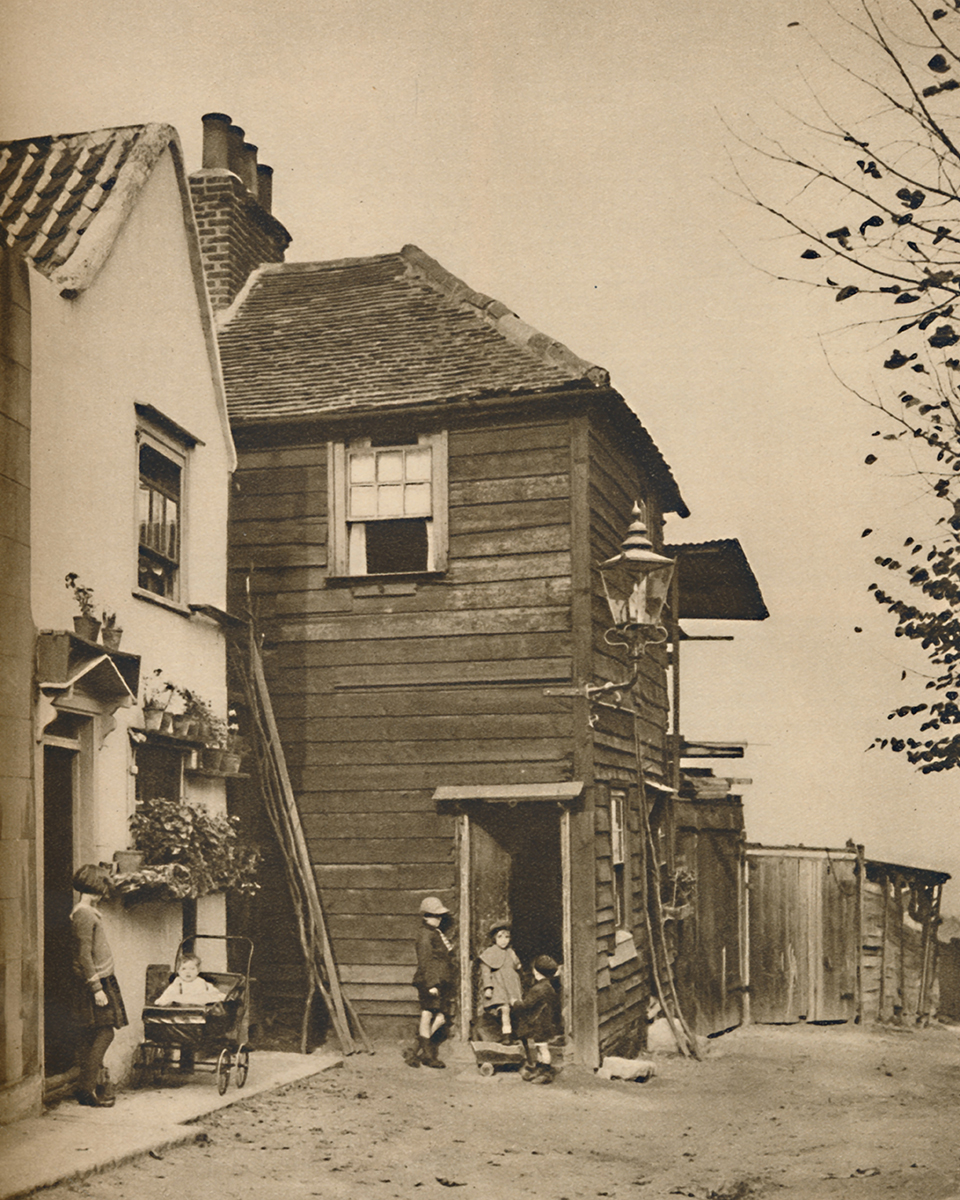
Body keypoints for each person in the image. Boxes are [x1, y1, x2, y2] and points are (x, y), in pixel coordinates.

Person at [70, 863, 128, 1107]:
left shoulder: (89, 912)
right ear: (95, 887)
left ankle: (90, 1087)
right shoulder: (83, 914)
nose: (105, 892)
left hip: (101, 979)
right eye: (103, 886)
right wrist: (96, 989)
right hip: (94, 981)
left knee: (94, 1034)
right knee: (105, 1033)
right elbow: (83, 955)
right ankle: (86, 1088)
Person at [405, 896, 455, 1069]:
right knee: (427, 1014)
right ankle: (428, 1056)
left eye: (440, 916)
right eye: (435, 915)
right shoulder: (425, 935)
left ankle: (413, 1050)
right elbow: (425, 961)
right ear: (426, 916)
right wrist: (431, 984)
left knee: (440, 1018)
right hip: (430, 981)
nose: (439, 919)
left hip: (440, 981)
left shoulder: (435, 933)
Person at [511, 954, 561, 1084]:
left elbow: (526, 1005)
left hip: (539, 1024)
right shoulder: (549, 987)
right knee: (540, 1047)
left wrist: (515, 1003)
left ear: (536, 972)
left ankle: (546, 1071)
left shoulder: (538, 989)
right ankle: (540, 1068)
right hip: (545, 1022)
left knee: (543, 1048)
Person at [478, 921, 522, 1041]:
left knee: (513, 1010)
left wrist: (517, 965)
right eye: (500, 937)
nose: (504, 940)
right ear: (494, 938)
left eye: (507, 937)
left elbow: (517, 965)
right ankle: (506, 1035)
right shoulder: (490, 953)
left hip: (511, 986)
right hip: (499, 985)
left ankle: (513, 1034)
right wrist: (488, 987)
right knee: (504, 1009)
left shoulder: (510, 952)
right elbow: (485, 972)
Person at [153, 954, 223, 1006]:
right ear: (178, 971)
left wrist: (218, 996)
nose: (188, 972)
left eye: (192, 969)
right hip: (183, 1008)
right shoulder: (178, 983)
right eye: (184, 969)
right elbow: (167, 995)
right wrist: (162, 1001)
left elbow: (216, 993)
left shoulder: (202, 982)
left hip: (199, 1008)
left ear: (198, 971)